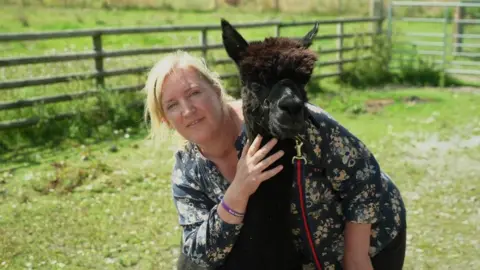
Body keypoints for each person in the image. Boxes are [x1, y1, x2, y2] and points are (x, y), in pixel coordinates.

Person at [143, 50, 407, 270]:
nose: (188, 110)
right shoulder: (189, 171)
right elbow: (199, 254)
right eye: (172, 105)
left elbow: (363, 176)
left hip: (371, 240)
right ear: (166, 119)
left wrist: (355, 257)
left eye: (193, 93)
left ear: (216, 90)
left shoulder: (280, 118)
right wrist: (238, 191)